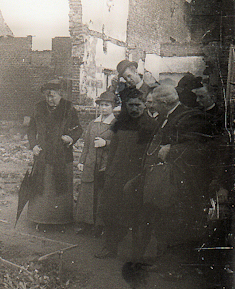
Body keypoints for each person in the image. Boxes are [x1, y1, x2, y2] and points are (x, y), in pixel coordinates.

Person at [141, 85, 210, 256]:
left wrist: (172, 150)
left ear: (164, 102)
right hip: (164, 178)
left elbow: (201, 148)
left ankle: (173, 268)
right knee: (162, 216)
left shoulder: (189, 117)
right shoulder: (166, 116)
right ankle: (163, 260)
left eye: (154, 103)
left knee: (174, 220)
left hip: (180, 180)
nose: (151, 106)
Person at [95, 89, 157, 259]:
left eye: (138, 104)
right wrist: (108, 172)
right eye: (131, 105)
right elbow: (113, 149)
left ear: (145, 104)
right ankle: (110, 247)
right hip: (116, 174)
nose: (135, 108)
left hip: (137, 176)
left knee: (137, 216)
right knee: (110, 211)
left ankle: (137, 254)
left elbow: (152, 153)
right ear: (125, 106)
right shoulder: (120, 122)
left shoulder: (151, 125)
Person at [27, 80, 83, 228]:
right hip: (43, 154)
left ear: (60, 94)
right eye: (47, 96)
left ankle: (61, 221)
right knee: (42, 186)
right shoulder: (38, 108)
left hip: (62, 155)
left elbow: (78, 129)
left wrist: (71, 138)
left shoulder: (68, 108)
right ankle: (40, 219)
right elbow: (31, 129)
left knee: (61, 187)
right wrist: (33, 146)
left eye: (52, 96)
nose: (49, 100)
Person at [75, 90, 116, 236]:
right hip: (91, 162)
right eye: (101, 105)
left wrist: (106, 143)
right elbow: (86, 144)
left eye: (107, 105)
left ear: (113, 107)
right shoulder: (93, 123)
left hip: (105, 164)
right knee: (88, 193)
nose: (103, 108)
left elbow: (120, 144)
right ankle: (87, 223)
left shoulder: (115, 124)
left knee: (101, 194)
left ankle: (100, 226)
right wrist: (82, 160)